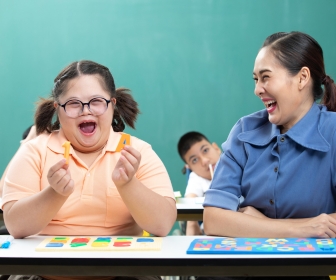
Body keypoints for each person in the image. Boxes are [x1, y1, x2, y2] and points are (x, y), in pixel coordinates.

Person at [1, 60, 176, 280]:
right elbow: (15, 225)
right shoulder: (34, 151)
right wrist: (54, 193)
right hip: (43, 274)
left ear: (112, 105)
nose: (86, 111)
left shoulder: (137, 151)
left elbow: (162, 225)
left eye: (96, 102)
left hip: (124, 274)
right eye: (74, 103)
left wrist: (128, 184)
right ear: (58, 109)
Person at [203, 31, 336, 280]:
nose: (257, 90)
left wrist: (253, 221)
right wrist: (301, 228)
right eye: (255, 79)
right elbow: (213, 219)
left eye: (265, 77)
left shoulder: (333, 131)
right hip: (245, 268)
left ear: (302, 78)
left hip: (309, 271)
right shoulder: (244, 130)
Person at [177, 131, 221, 235]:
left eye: (205, 150)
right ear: (189, 167)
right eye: (195, 160)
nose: (204, 161)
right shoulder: (197, 179)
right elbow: (190, 203)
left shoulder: (236, 165)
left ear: (216, 148)